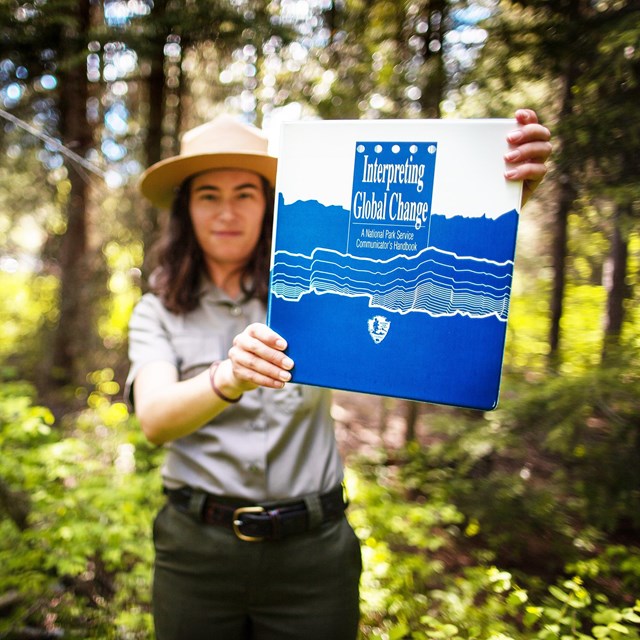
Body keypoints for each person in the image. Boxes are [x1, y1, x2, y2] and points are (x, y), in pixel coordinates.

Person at [125, 109, 552, 640]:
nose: (227, 212)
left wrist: (507, 189)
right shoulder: (158, 310)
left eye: (245, 193)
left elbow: (414, 246)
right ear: (186, 208)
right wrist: (229, 377)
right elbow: (156, 420)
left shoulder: (315, 286)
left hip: (314, 557)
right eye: (208, 194)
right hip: (195, 553)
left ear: (269, 205)